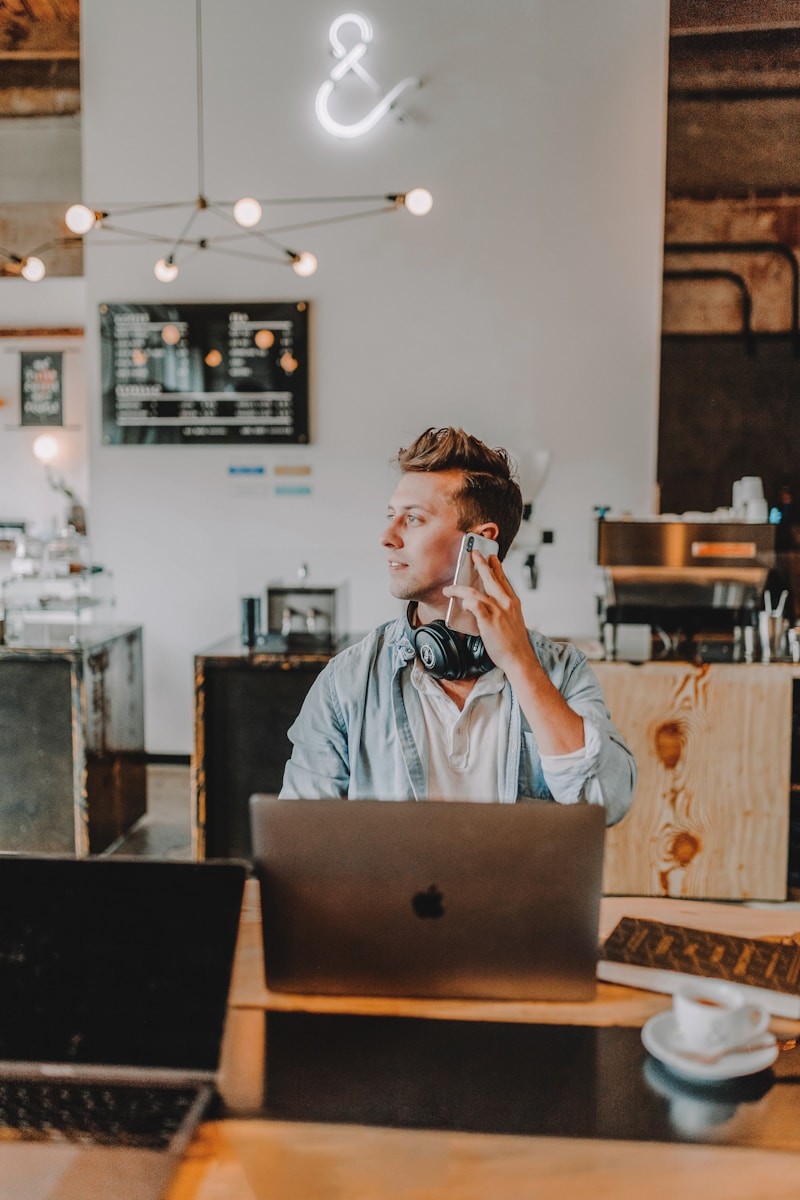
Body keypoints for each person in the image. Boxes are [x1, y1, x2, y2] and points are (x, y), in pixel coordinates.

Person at [280, 427, 635, 824]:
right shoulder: (347, 681)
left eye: (412, 519)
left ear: (480, 542)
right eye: (390, 516)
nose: (386, 537)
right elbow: (302, 831)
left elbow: (606, 803)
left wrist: (520, 664)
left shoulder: (562, 672)